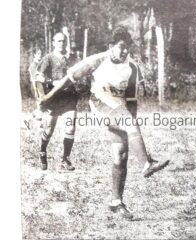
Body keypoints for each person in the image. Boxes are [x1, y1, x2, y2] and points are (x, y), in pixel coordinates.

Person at [39, 26, 170, 220]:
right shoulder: (98, 60)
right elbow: (68, 79)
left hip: (120, 108)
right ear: (110, 46)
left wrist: (131, 127)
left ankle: (116, 201)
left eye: (127, 48)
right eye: (120, 47)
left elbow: (132, 100)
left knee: (121, 154)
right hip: (99, 102)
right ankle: (146, 164)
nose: (125, 51)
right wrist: (48, 96)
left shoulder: (132, 66)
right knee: (127, 125)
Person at [35, 33, 78, 171]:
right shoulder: (47, 59)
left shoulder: (71, 59)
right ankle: (42, 152)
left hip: (68, 99)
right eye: (58, 41)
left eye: (63, 41)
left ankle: (65, 160)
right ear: (53, 43)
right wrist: (44, 95)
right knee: (48, 130)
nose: (61, 43)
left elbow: (78, 76)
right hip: (52, 100)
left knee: (70, 128)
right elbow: (38, 80)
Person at [28, 47, 44, 121]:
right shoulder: (33, 65)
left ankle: (30, 117)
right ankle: (39, 123)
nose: (40, 55)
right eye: (38, 53)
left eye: (41, 53)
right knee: (40, 104)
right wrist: (35, 90)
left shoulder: (40, 64)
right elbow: (34, 79)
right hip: (35, 85)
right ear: (34, 55)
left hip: (40, 85)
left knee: (42, 105)